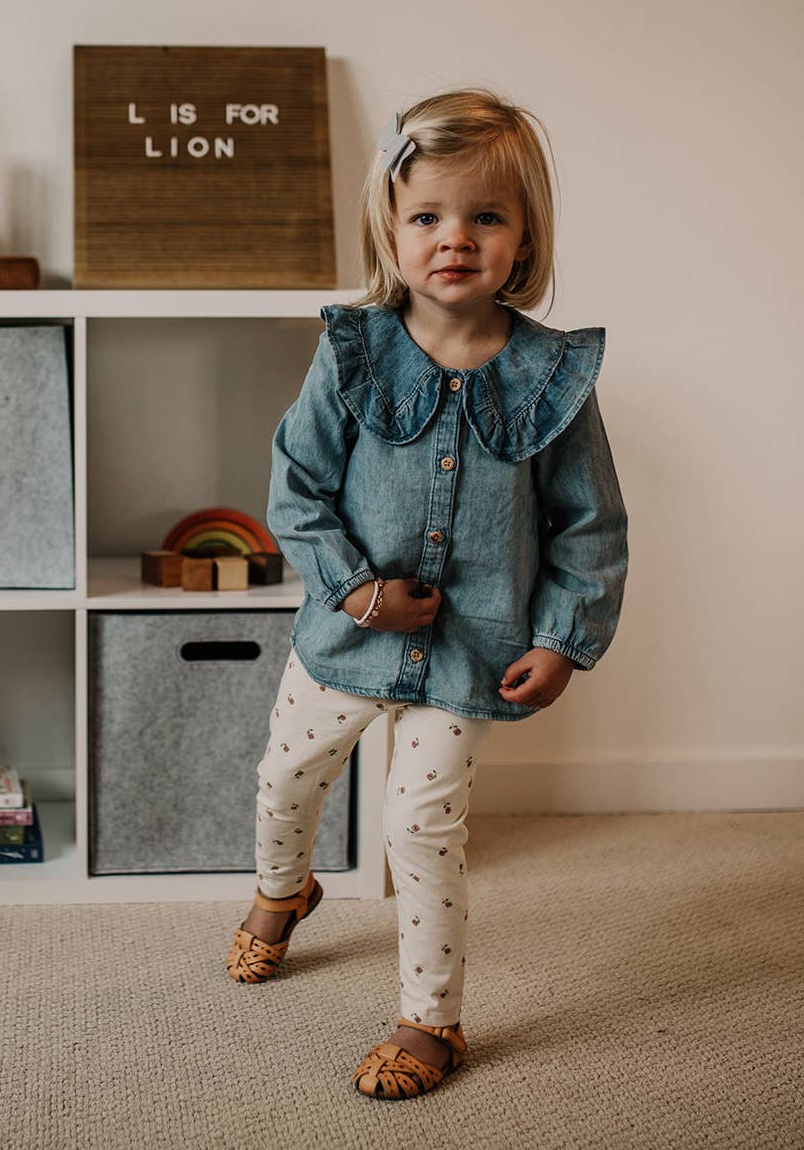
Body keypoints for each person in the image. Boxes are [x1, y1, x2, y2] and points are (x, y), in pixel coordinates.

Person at [224, 87, 629, 1100]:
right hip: (348, 634)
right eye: (428, 216)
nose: (455, 238)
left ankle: (429, 1020)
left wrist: (564, 638)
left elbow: (589, 524)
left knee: (420, 826)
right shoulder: (352, 352)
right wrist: (358, 593)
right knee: (286, 777)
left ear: (523, 236)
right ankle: (284, 890)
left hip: (470, 650)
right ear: (391, 227)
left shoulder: (553, 378)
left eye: (485, 216)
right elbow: (297, 487)